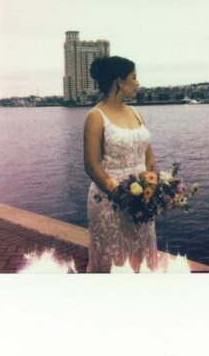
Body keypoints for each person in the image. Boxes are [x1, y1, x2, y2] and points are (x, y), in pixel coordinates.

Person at [83, 56, 158, 272]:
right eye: (133, 78)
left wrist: (153, 188)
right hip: (110, 202)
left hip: (143, 199)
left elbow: (149, 155)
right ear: (119, 81)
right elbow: (91, 165)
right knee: (114, 260)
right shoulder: (96, 117)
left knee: (141, 258)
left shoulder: (136, 113)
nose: (137, 83)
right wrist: (121, 196)